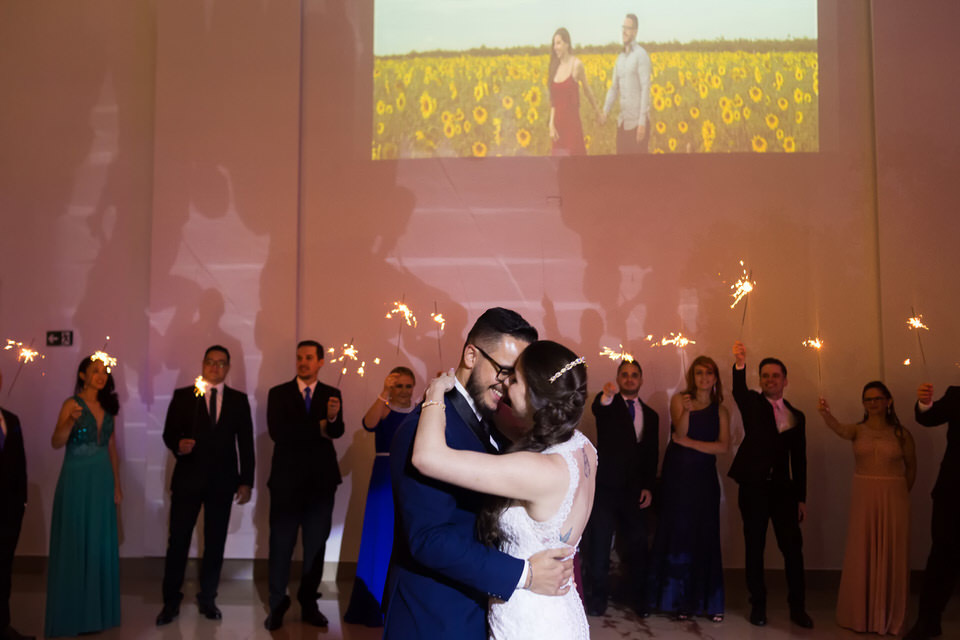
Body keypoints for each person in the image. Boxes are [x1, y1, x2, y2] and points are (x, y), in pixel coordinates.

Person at [383, 308, 574, 640]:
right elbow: (429, 539)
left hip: (476, 607)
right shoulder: (424, 431)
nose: (509, 384)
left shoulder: (493, 424)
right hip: (434, 614)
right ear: (471, 354)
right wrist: (523, 575)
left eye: (518, 376)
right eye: (504, 370)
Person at [412, 340, 595, 639]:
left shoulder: (537, 470)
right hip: (560, 611)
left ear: (535, 394)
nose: (507, 383)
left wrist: (435, 394)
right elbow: (513, 425)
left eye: (515, 379)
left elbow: (426, 458)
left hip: (530, 620)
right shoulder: (582, 447)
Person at [156, 345, 255, 625]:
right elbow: (168, 432)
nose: (214, 367)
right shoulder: (185, 395)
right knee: (178, 542)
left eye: (221, 363)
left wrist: (246, 480)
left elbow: (245, 442)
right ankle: (170, 601)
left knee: (215, 542)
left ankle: (208, 598)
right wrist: (178, 444)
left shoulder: (237, 400)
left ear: (228, 368)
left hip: (222, 482)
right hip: (188, 479)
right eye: (210, 362)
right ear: (202, 364)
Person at [818, 381, 915, 635]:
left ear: (888, 401)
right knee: (863, 551)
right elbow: (839, 429)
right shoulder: (857, 430)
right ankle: (861, 616)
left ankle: (889, 617)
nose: (872, 404)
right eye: (868, 399)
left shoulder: (901, 434)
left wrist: (900, 493)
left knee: (892, 553)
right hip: (864, 498)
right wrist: (825, 413)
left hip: (894, 497)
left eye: (877, 399)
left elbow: (911, 467)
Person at [728, 340, 812, 628]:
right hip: (753, 489)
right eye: (765, 376)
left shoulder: (796, 416)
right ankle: (758, 606)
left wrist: (801, 498)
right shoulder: (752, 403)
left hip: (783, 492)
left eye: (775, 376)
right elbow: (738, 390)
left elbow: (799, 460)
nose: (770, 380)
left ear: (785, 380)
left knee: (792, 549)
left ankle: (798, 607)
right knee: (755, 547)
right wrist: (740, 363)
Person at [264, 340, 344, 630]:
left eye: (309, 358)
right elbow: (278, 432)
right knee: (280, 546)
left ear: (320, 361)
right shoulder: (278, 393)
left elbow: (336, 431)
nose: (303, 362)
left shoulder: (332, 394)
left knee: (315, 547)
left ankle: (309, 603)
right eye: (299, 357)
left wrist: (332, 419)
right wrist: (318, 427)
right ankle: (276, 605)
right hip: (286, 482)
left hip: (321, 485)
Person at [648, 355, 729, 622]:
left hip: (704, 478)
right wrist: (687, 412)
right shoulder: (680, 399)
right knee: (679, 534)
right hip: (678, 476)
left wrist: (692, 444)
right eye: (699, 373)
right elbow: (678, 434)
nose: (704, 378)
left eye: (708, 373)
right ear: (692, 377)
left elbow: (723, 446)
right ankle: (679, 601)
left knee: (705, 534)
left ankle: (710, 601)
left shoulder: (721, 410)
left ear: (715, 378)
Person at [45, 356, 121, 637]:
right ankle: (74, 612)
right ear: (82, 374)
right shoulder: (72, 404)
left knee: (98, 541)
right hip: (77, 479)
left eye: (104, 372)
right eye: (95, 371)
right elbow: (56, 442)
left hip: (101, 480)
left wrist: (117, 484)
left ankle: (97, 615)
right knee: (76, 540)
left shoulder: (108, 407)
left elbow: (112, 448)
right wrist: (69, 423)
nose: (101, 376)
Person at [582, 359, 658, 617]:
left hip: (634, 490)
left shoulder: (652, 415)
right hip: (605, 488)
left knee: (637, 544)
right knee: (599, 546)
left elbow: (651, 454)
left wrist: (648, 487)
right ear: (618, 377)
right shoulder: (608, 405)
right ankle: (597, 600)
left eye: (634, 374)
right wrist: (605, 396)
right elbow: (598, 408)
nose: (629, 378)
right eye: (624, 374)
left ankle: (638, 599)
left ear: (641, 379)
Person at [344, 367, 417, 627]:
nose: (404, 391)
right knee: (381, 538)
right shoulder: (384, 408)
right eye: (399, 386)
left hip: (411, 478)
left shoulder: (420, 410)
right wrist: (384, 392)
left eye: (408, 386)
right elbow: (368, 423)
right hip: (385, 477)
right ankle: (374, 604)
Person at [903, 381, 960, 640]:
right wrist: (925, 403)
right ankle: (928, 622)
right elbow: (929, 416)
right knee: (942, 556)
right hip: (954, 493)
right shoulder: (958, 394)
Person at [0, 369, 34, 640]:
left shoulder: (11, 420)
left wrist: (22, 501)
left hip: (9, 510)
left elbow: (20, 465)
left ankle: (2, 625)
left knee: (4, 568)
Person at [599, 13, 651, 154]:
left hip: (637, 125)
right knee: (621, 169)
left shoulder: (641, 55)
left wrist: (642, 122)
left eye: (628, 28)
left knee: (639, 171)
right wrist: (605, 111)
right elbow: (614, 88)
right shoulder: (620, 58)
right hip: (622, 123)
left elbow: (645, 89)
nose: (624, 31)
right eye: (623, 27)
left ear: (635, 32)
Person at [548, 28, 600, 156]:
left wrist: (598, 113)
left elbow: (587, 91)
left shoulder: (576, 65)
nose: (556, 47)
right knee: (559, 167)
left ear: (567, 44)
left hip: (572, 128)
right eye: (554, 44)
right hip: (557, 131)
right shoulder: (554, 67)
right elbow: (554, 102)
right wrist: (551, 124)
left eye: (559, 43)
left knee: (575, 167)